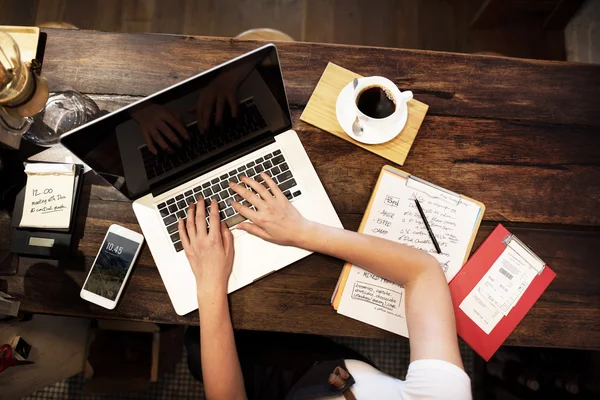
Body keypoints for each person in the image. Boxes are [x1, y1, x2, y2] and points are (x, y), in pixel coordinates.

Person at [178, 172, 472, 399]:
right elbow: (424, 272)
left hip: (289, 386)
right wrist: (303, 232)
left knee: (195, 347)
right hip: (335, 371)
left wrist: (210, 283)